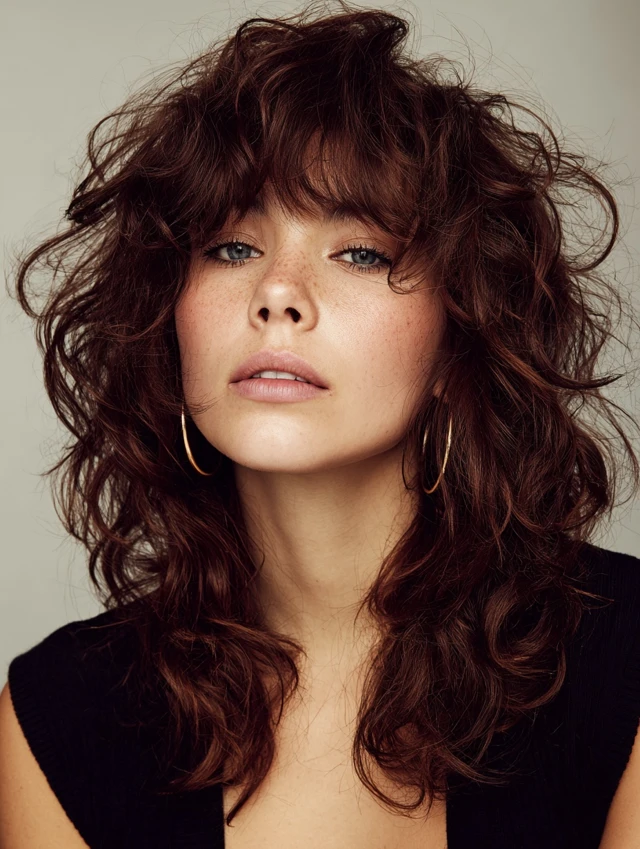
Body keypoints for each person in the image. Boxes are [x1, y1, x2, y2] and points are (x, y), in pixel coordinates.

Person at [1, 2, 639, 847]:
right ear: (168, 315)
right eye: (232, 246)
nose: (278, 291)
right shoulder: (58, 717)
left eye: (361, 251)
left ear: (460, 333)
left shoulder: (623, 660)